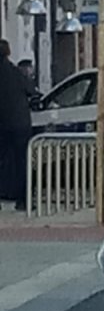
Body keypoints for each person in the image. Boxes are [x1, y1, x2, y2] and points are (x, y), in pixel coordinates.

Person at [0, 40, 35, 210]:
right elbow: (31, 91)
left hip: (2, 125)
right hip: (20, 125)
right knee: (23, 162)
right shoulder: (16, 72)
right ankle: (24, 199)